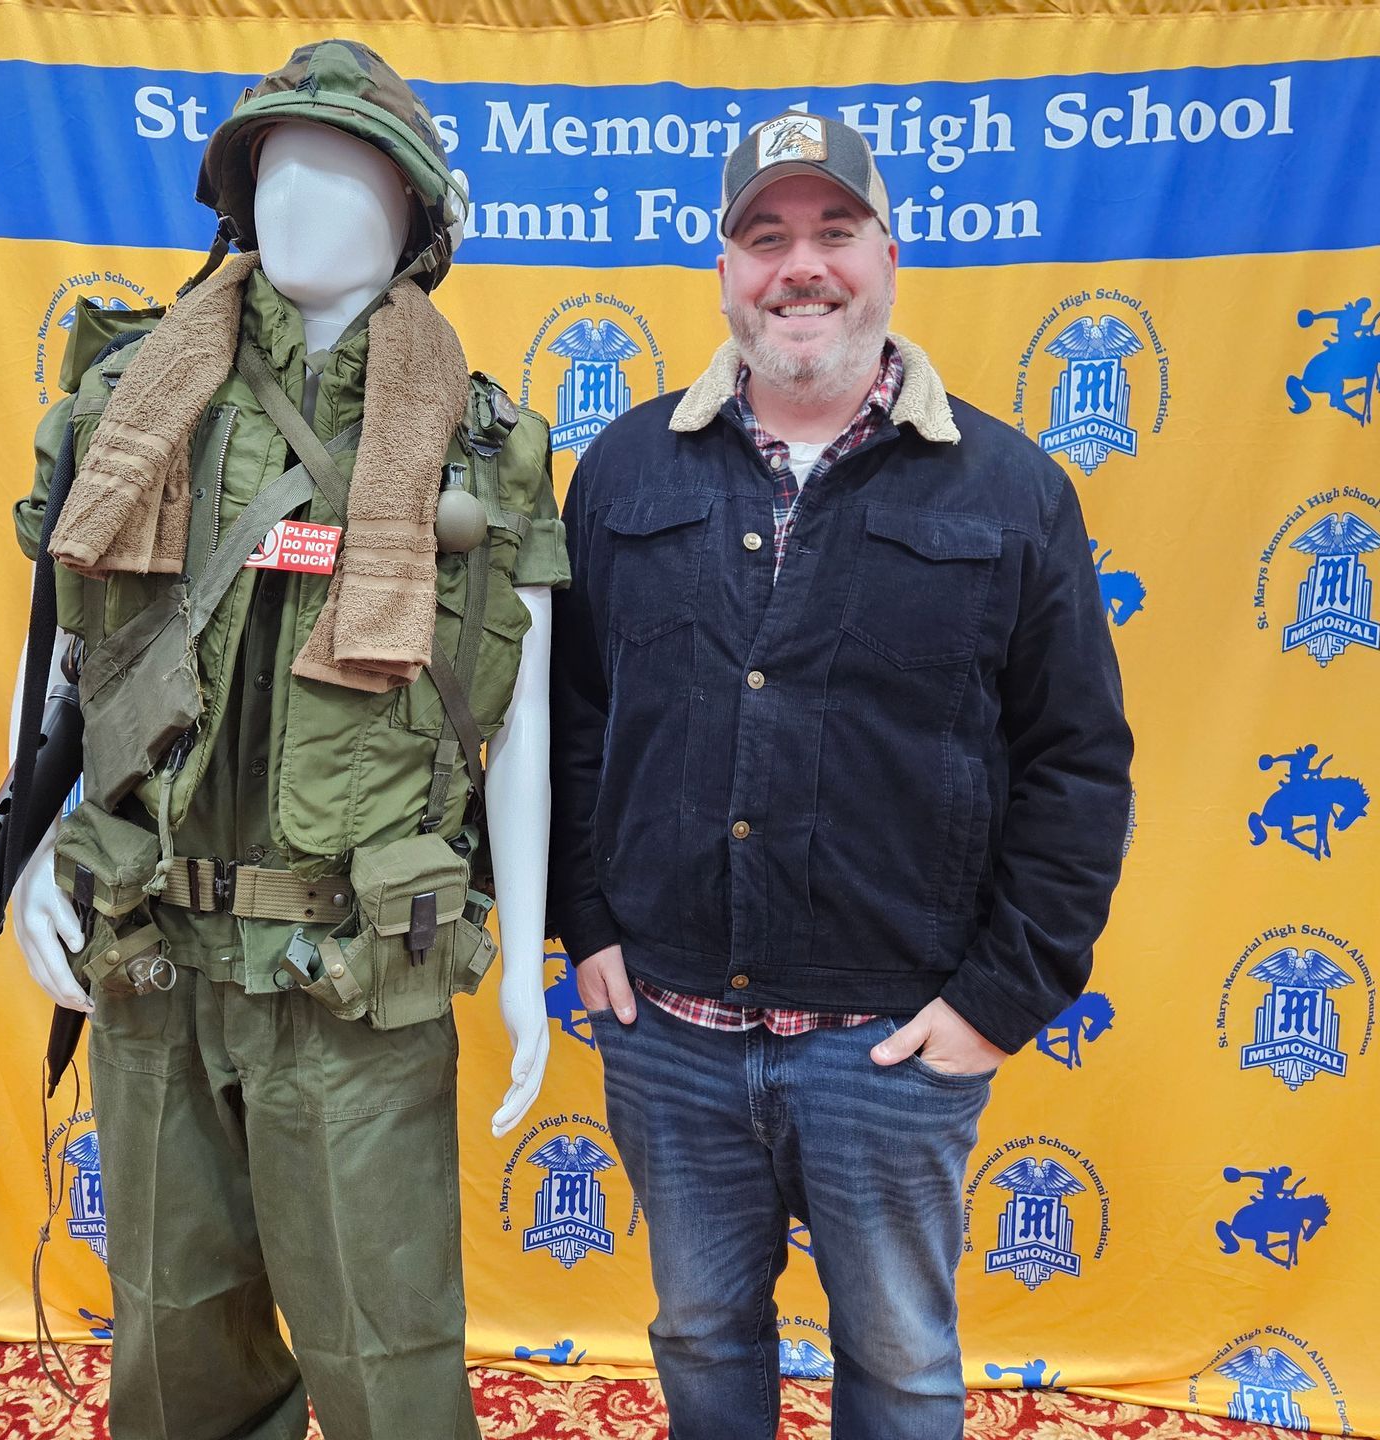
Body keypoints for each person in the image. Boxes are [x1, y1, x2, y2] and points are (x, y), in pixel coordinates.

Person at [8, 40, 567, 1440]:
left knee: (386, 1361)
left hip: (350, 980)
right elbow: (75, 660)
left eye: (349, 166)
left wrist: (525, 978)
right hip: (151, 952)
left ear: (418, 217)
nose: (304, 196)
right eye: (276, 165)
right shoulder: (130, 407)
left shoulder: (485, 450)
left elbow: (518, 722)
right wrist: (31, 860)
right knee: (173, 1339)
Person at [547, 111, 1133, 1440]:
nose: (799, 268)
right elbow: (575, 719)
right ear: (724, 268)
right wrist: (584, 923)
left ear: (889, 253)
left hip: (893, 1044)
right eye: (766, 238)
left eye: (833, 233)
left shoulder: (1011, 489)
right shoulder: (625, 470)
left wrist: (997, 1001)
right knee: (699, 1333)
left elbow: (1076, 767)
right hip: (669, 1039)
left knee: (903, 1363)